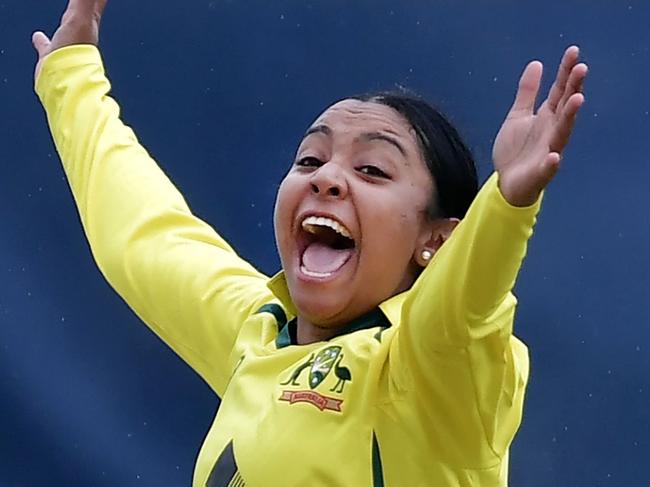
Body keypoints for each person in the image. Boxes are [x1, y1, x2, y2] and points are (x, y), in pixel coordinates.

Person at [32, 1, 588, 485]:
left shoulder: (435, 372)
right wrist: (71, 75)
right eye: (309, 159)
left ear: (437, 242)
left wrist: (507, 204)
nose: (326, 178)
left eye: (372, 169)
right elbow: (143, 234)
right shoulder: (260, 329)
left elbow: (468, 307)